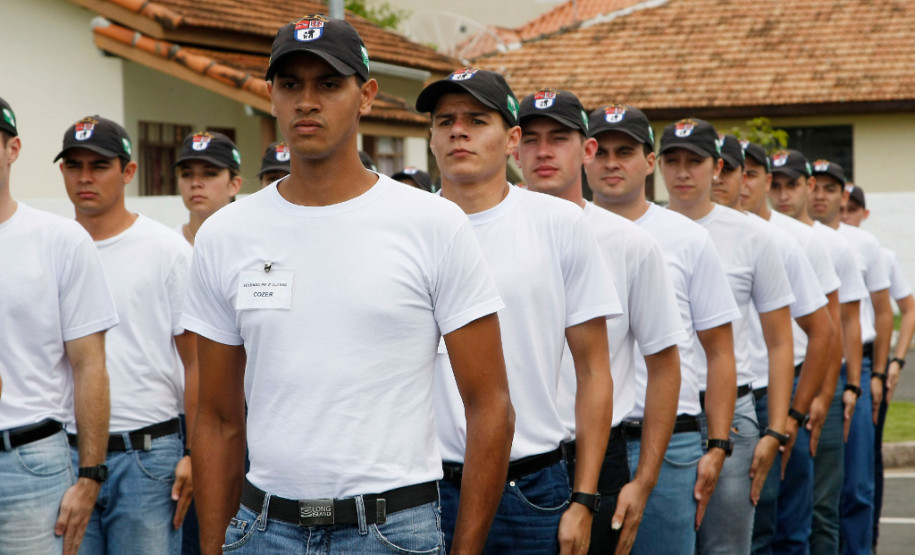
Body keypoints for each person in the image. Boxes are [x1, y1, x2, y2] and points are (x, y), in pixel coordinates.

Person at [182, 16, 514, 555]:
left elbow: (490, 404)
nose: (306, 101)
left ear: (367, 96)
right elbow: (217, 420)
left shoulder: (432, 224)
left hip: (392, 531)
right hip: (264, 531)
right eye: (290, 84)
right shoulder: (226, 234)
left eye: (329, 84)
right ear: (271, 96)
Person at [417, 69, 620, 554]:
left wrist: (584, 498)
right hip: (420, 487)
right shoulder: (406, 225)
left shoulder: (559, 223)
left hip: (529, 485)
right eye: (445, 121)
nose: (458, 131)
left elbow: (594, 370)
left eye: (476, 120)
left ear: (512, 140)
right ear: (431, 139)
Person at [515, 90, 686, 554]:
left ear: (587, 149)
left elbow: (665, 366)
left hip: (596, 455)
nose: (543, 152)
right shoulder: (482, 233)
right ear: (513, 146)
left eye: (559, 138)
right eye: (530, 139)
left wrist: (644, 480)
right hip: (511, 461)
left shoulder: (629, 244)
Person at [585, 105, 740, 555]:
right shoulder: (564, 230)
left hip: (672, 443)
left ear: (649, 162)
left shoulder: (686, 238)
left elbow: (720, 350)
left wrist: (718, 444)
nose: (612, 163)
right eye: (602, 152)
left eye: (625, 152)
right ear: (585, 155)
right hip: (588, 444)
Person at [56, 115, 197, 554]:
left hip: (148, 454)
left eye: (99, 165)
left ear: (128, 171)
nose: (85, 177)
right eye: (74, 165)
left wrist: (194, 452)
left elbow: (196, 362)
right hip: (64, 453)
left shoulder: (166, 249)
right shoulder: (52, 247)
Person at [658, 121, 795, 555]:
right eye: (673, 161)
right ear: (656, 165)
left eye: (695, 161)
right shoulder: (642, 231)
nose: (683, 172)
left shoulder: (752, 235)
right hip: (662, 410)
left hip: (733, 412)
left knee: (726, 548)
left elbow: (780, 340)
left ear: (717, 167)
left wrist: (775, 430)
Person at [0, 97, 117, 554]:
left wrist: (90, 476)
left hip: (30, 461)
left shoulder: (59, 240)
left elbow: (90, 366)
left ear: (13, 149)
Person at [768, 149, 868, 554]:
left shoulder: (829, 244)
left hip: (818, 377)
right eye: (775, 185)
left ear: (806, 187)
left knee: (822, 505)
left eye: (791, 185)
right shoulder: (762, 235)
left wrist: (837, 390)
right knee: (775, 508)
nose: (783, 195)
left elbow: (842, 323)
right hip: (774, 379)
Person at [739, 141, 837, 555]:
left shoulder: (794, 240)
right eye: (733, 171)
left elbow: (828, 328)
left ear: (765, 180)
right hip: (729, 396)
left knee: (792, 525)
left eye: (751, 173)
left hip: (784, 387)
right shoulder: (701, 235)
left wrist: (812, 401)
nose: (741, 183)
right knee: (747, 531)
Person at [808, 161, 892, 555]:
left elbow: (881, 312)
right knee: (812, 489)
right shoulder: (790, 237)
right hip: (808, 369)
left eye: (831, 189)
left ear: (844, 196)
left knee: (857, 484)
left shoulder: (861, 243)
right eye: (816, 187)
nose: (820, 196)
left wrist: (876, 374)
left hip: (853, 369)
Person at [840, 184, 915, 550]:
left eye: (853, 209)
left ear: (865, 214)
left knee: (865, 464)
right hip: (836, 361)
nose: (846, 215)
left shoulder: (878, 253)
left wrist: (893, 363)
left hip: (870, 363)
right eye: (843, 208)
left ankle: (868, 539)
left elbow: (903, 310)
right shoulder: (819, 244)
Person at [175, 131, 243, 245]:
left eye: (209, 173)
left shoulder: (251, 244)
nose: (195, 183)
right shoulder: (167, 245)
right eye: (186, 174)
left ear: (234, 185)